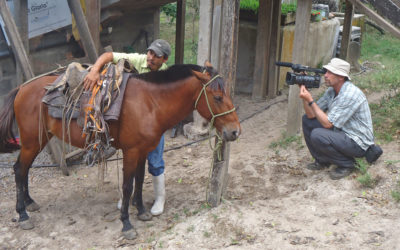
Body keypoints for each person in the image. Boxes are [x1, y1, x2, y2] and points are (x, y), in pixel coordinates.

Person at [83, 39, 171, 215]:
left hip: (154, 124)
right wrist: (94, 70)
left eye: (156, 56)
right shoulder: (139, 60)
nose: (151, 57)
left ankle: (160, 197)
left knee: (154, 160)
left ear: (164, 60)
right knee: (130, 157)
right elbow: (109, 56)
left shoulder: (166, 76)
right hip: (135, 121)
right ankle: (126, 195)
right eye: (150, 52)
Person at [299, 58, 379, 180]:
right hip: (343, 133)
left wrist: (310, 100)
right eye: (326, 71)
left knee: (318, 134)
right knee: (307, 121)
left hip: (358, 142)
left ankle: (347, 164)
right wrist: (305, 94)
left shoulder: (349, 94)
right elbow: (311, 115)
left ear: (341, 77)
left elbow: (327, 124)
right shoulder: (332, 91)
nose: (325, 75)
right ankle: (322, 161)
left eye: (330, 72)